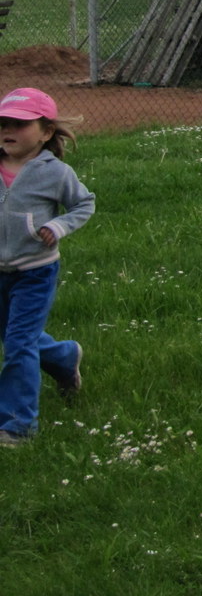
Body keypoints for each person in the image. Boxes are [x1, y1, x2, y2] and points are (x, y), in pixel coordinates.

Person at [0, 86, 95, 447]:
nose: (8, 130)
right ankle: (64, 356)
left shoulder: (55, 173)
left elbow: (84, 204)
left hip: (35, 273)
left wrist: (58, 226)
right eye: (3, 123)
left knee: (18, 345)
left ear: (46, 132)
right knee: (15, 337)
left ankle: (17, 426)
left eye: (20, 124)